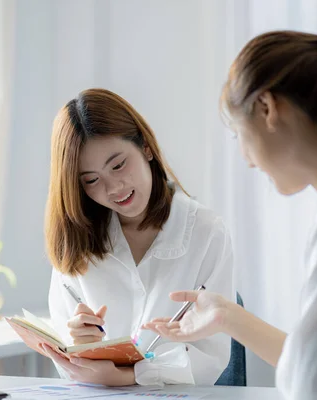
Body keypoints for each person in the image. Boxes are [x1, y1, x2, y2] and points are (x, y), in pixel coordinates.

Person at [144, 31, 317, 399]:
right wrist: (225, 316)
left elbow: (311, 386)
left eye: (238, 136)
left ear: (267, 108)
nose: (246, 160)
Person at [43, 88, 235, 387]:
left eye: (118, 165)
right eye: (92, 180)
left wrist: (131, 375)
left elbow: (211, 356)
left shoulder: (206, 232)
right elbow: (64, 353)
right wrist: (80, 340)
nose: (113, 188)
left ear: (146, 147)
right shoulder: (77, 239)